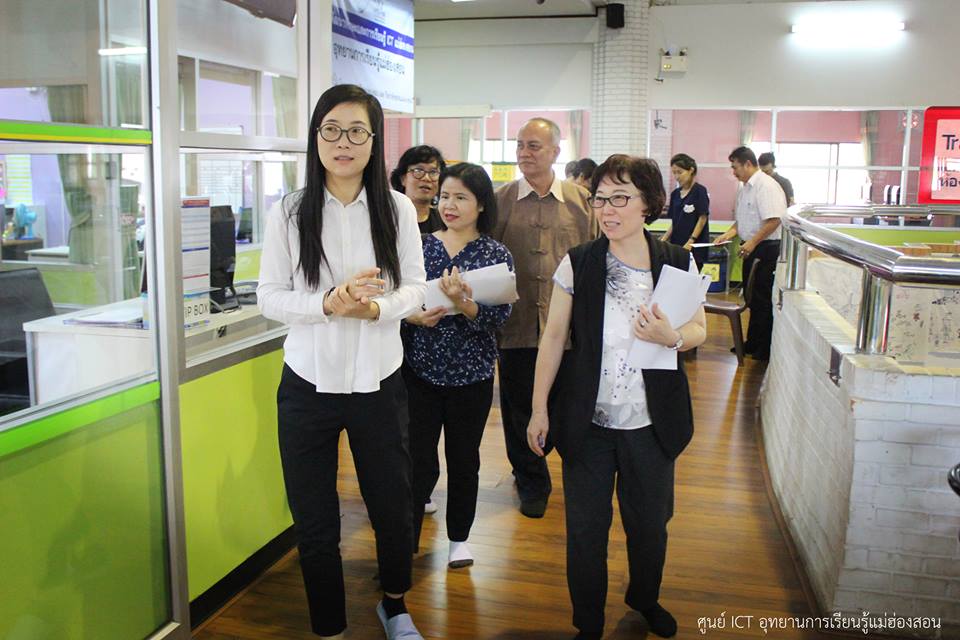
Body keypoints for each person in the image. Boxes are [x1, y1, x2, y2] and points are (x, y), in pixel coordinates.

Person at [258, 84, 427, 640]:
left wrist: (375, 308)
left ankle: (394, 604)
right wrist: (328, 304)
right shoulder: (289, 211)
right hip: (308, 383)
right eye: (331, 129)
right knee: (314, 517)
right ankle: (328, 625)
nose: (343, 142)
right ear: (316, 137)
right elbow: (268, 296)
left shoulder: (397, 209)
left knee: (392, 504)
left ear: (374, 141)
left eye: (357, 131)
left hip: (379, 381)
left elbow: (416, 287)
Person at [527, 154, 706, 640]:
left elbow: (699, 328)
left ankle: (644, 598)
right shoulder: (580, 263)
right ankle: (587, 622)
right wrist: (539, 408)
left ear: (649, 203)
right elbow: (553, 338)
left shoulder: (676, 261)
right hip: (588, 423)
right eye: (601, 199)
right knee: (585, 531)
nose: (607, 209)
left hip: (652, 423)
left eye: (620, 198)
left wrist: (672, 337)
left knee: (650, 525)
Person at [401, 162, 514, 569]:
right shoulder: (420, 246)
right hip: (419, 372)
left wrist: (465, 304)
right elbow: (398, 301)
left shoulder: (494, 254)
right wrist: (414, 316)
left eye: (460, 198)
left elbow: (499, 317)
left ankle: (458, 540)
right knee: (416, 460)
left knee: (464, 459)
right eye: (445, 196)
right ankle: (405, 540)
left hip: (472, 376)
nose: (448, 205)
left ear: (481, 205)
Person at [492, 117, 596, 519]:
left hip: (568, 329)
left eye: (533, 146)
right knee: (519, 407)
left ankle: (576, 475)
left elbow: (596, 258)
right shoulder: (501, 200)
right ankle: (531, 481)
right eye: (520, 145)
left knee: (568, 404)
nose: (524, 153)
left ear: (556, 151)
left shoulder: (581, 201)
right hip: (515, 325)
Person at [714, 146, 787, 361]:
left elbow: (774, 220)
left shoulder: (766, 186)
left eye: (735, 167)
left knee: (763, 299)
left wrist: (753, 242)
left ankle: (764, 348)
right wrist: (727, 235)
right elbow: (742, 221)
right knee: (751, 298)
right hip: (751, 247)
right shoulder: (745, 188)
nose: (733, 172)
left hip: (766, 248)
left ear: (747, 164)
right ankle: (752, 342)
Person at [662, 153, 710, 269]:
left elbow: (702, 218)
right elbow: (675, 222)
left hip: (694, 247)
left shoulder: (700, 191)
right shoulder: (675, 194)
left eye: (680, 172)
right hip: (677, 245)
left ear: (691, 170)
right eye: (674, 173)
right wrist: (664, 239)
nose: (677, 176)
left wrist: (690, 241)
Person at [390, 145, 447, 233]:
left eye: (433, 172)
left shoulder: (445, 221)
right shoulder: (388, 217)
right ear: (403, 179)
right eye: (418, 171)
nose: (426, 178)